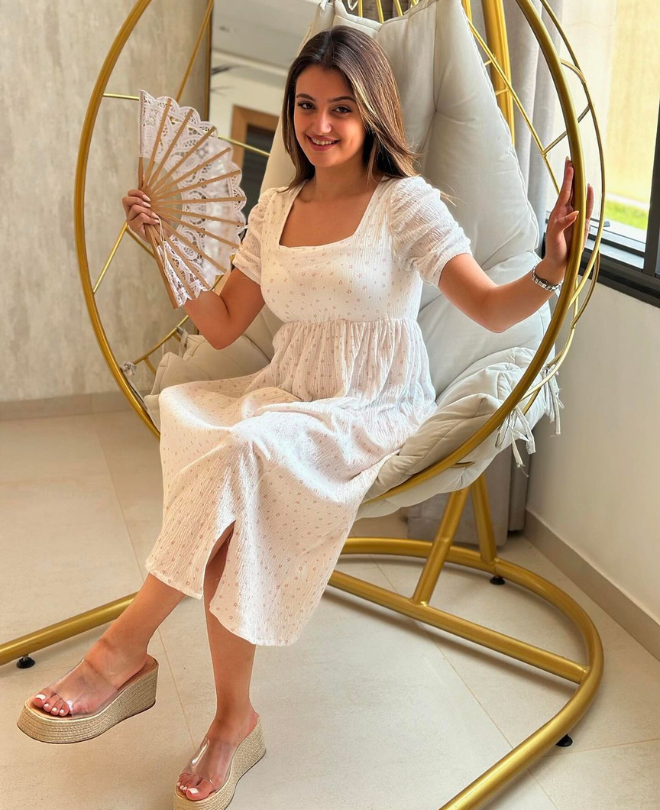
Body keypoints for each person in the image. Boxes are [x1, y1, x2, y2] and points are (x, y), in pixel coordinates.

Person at [20, 24, 594, 807]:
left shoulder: (405, 204)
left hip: (373, 405)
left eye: (341, 109)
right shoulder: (277, 208)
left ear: (373, 113)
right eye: (305, 106)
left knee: (239, 454)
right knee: (231, 487)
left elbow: (492, 309)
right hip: (287, 394)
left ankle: (122, 650)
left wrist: (550, 269)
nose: (319, 125)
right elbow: (225, 323)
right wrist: (165, 245)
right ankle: (234, 720)